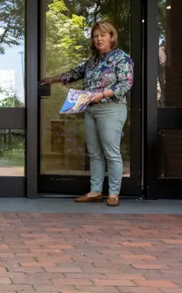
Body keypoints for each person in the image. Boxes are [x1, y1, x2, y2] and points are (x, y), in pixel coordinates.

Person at [41, 21, 134, 207]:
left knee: (111, 152)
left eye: (103, 35)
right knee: (94, 153)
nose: (99, 39)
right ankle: (95, 191)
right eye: (95, 35)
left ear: (111, 37)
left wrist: (102, 95)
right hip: (90, 110)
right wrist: (51, 79)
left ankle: (114, 194)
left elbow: (125, 84)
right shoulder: (93, 61)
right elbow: (75, 73)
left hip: (111, 109)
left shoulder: (121, 58)